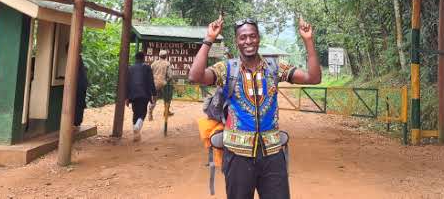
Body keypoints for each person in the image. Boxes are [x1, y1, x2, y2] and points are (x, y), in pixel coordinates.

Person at [188, 15, 321, 199]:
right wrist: (209, 39)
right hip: (237, 155)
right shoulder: (227, 69)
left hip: (273, 153)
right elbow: (195, 77)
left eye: (252, 36)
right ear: (236, 41)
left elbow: (313, 78)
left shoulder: (275, 67)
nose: (248, 41)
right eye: (243, 37)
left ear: (259, 38)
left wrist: (308, 41)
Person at [126, 51, 156, 141]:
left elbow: (127, 83)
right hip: (144, 94)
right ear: (143, 58)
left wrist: (126, 97)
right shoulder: (147, 67)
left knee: (135, 112)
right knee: (142, 113)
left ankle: (136, 135)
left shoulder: (130, 68)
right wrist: (154, 94)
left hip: (133, 94)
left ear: (135, 58)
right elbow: (151, 81)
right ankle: (137, 127)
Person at [148, 49, 175, 121]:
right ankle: (166, 112)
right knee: (167, 99)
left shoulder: (153, 63)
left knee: (153, 100)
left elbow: (149, 74)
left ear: (159, 56)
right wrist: (167, 81)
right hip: (163, 84)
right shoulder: (167, 64)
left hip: (154, 84)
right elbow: (170, 76)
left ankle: (150, 113)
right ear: (166, 56)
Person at [73, 54, 89, 127]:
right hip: (82, 83)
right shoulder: (78, 58)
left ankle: (77, 121)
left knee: (78, 102)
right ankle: (77, 121)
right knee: (80, 102)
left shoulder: (75, 57)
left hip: (80, 83)